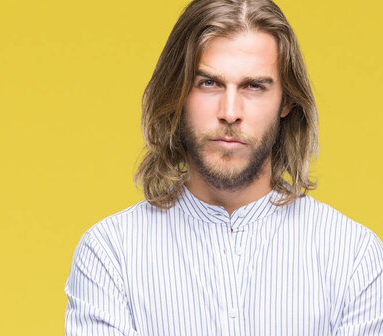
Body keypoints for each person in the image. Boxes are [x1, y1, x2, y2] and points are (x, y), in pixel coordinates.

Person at [64, 0, 383, 335]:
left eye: (254, 86)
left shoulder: (354, 258)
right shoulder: (109, 257)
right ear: (177, 93)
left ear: (287, 100)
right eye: (209, 83)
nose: (230, 111)